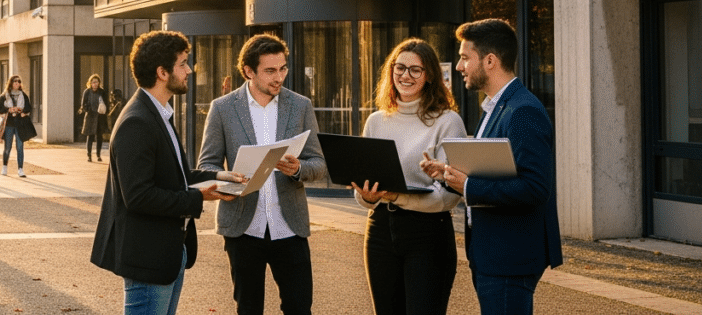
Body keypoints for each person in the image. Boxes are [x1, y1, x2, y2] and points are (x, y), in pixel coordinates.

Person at [91, 30, 243, 315]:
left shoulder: (158, 113)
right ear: (162, 72)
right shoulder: (137, 121)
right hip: (148, 257)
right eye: (183, 63)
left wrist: (221, 177)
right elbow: (138, 196)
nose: (189, 70)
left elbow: (177, 175)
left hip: (168, 251)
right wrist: (199, 198)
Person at [420, 19, 562, 315]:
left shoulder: (522, 111)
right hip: (491, 253)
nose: (459, 66)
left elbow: (536, 188)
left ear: (490, 61)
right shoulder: (495, 107)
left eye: (464, 57)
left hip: (509, 257)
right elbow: (492, 170)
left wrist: (468, 187)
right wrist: (447, 174)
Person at [197, 33, 327, 315]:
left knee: (299, 308)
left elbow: (319, 163)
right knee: (249, 309)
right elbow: (206, 166)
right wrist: (229, 179)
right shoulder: (222, 108)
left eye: (282, 69)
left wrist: (298, 169)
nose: (278, 77)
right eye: (270, 71)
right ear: (248, 71)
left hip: (290, 227)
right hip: (243, 227)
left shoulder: (300, 105)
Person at [351, 38, 467, 315]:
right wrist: (366, 197)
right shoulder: (376, 121)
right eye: (399, 68)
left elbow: (449, 197)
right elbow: (364, 189)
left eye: (416, 70)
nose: (405, 75)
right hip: (379, 230)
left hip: (427, 234)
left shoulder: (447, 121)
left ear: (429, 76)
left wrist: (397, 196)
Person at [0, 75, 35, 177]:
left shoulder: (23, 95)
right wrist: (9, 110)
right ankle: (4, 166)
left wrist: (22, 111)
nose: (17, 83)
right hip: (8, 124)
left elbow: (29, 108)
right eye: (15, 81)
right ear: (11, 83)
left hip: (20, 124)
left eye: (19, 81)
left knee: (20, 147)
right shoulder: (4, 95)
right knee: (7, 147)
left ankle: (20, 169)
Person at [79, 74, 109, 162]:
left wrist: (104, 110)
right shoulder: (87, 92)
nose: (95, 84)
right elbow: (83, 104)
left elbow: (106, 103)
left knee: (99, 137)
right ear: (90, 83)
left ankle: (98, 155)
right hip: (90, 116)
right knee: (90, 136)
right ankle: (89, 155)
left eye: (97, 82)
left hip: (100, 117)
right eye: (93, 82)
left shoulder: (102, 92)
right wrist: (87, 109)